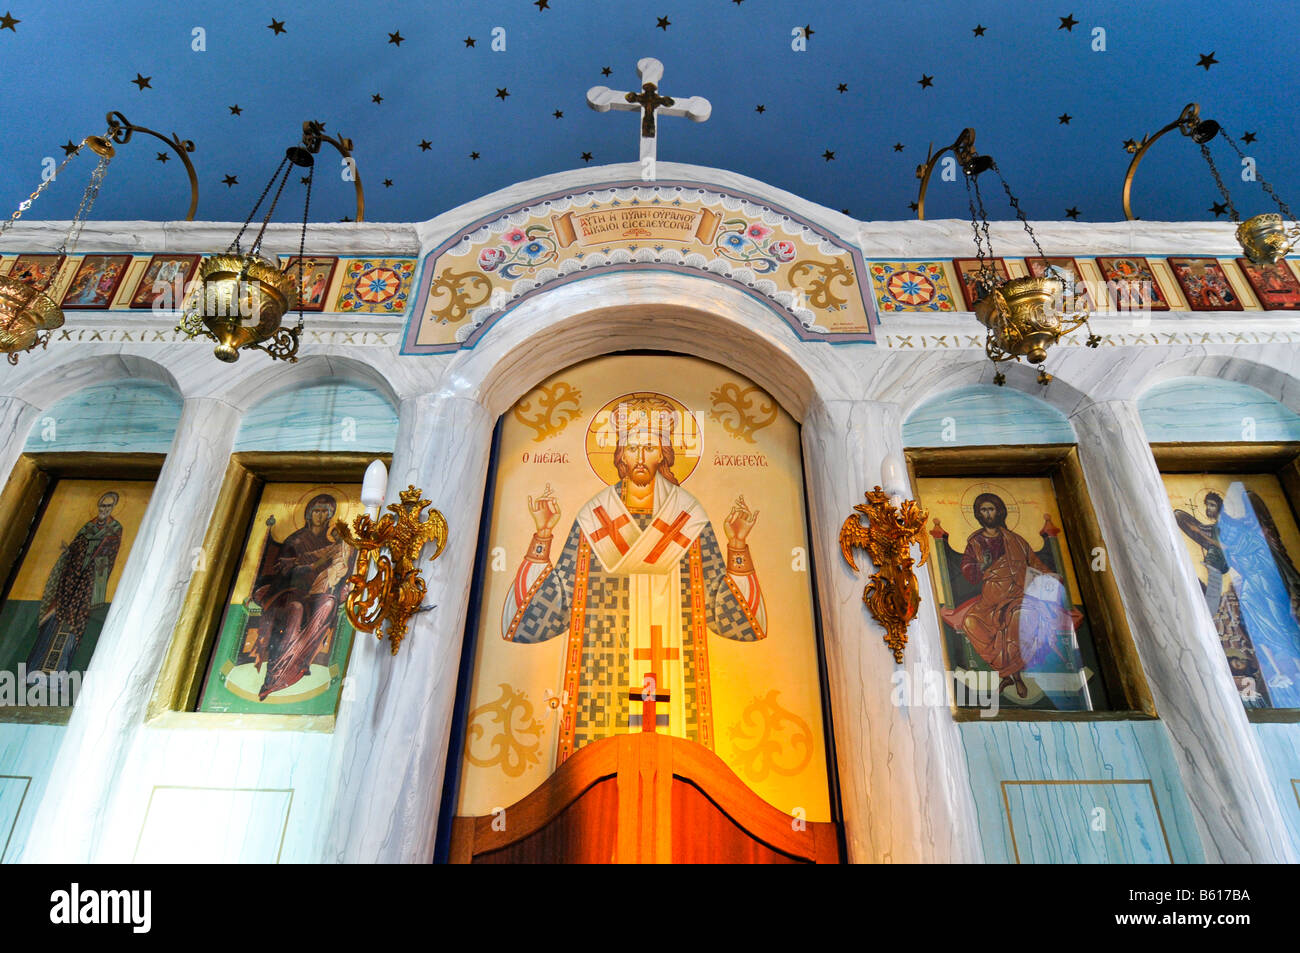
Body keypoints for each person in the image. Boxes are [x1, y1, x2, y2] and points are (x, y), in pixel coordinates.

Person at [502, 395, 765, 763]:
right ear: (620, 456)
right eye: (633, 447)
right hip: (601, 672)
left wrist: (737, 545)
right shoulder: (595, 518)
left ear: (665, 454)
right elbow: (552, 606)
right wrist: (543, 535)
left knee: (681, 766)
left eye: (650, 446)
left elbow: (725, 612)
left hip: (678, 669)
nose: (641, 456)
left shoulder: (688, 517)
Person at [939, 493, 1082, 698]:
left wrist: (1048, 579)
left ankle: (1014, 677)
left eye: (991, 509)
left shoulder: (1015, 540)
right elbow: (968, 573)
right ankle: (1011, 673)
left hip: (1019, 596)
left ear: (999, 511)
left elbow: (1036, 565)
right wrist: (982, 566)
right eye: (983, 510)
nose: (988, 513)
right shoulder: (975, 543)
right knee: (971, 622)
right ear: (978, 515)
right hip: (990, 600)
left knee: (1017, 618)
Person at [1176, 486, 1300, 706]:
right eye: (1207, 506)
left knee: (1282, 620)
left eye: (1212, 505)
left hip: (1267, 578)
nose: (1208, 509)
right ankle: (1280, 671)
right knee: (1255, 622)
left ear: (1220, 506)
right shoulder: (1216, 533)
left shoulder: (1244, 526)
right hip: (1252, 584)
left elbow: (1264, 544)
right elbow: (1213, 554)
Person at [249, 494, 351, 700]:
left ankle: (300, 661)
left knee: (328, 604)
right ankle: (275, 673)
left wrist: (340, 589)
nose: (320, 515)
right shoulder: (294, 541)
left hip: (314, 593)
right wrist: (307, 567)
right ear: (308, 513)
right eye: (316, 510)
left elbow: (337, 571)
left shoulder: (331, 544)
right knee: (296, 609)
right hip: (286, 593)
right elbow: (284, 571)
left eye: (325, 512)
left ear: (330, 516)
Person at [25, 492, 123, 675]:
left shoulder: (115, 529)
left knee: (73, 626)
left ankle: (57, 673)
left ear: (112, 508)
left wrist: (92, 563)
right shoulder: (88, 526)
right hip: (69, 582)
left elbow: (110, 554)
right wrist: (72, 551)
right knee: (53, 621)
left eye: (108, 507)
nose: (104, 510)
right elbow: (75, 547)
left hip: (87, 585)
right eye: (102, 506)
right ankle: (34, 669)